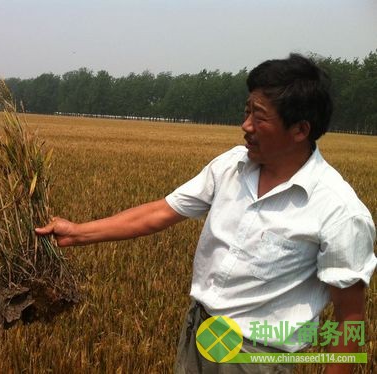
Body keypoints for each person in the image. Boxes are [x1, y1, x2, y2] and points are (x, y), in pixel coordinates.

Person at [35, 54, 376, 373]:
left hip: (255, 357)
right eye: (246, 112)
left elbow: (350, 319)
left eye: (259, 117)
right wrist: (77, 232)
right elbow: (160, 212)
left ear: (300, 130)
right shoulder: (231, 166)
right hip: (200, 331)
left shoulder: (340, 211)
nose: (246, 126)